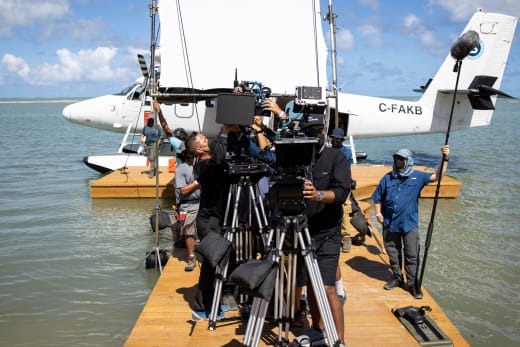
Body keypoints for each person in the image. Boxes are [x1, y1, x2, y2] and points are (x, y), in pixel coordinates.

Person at [297, 114, 351, 345]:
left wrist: (317, 194)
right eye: (311, 130)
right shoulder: (298, 159)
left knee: (328, 287)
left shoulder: (336, 157)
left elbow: (341, 193)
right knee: (310, 285)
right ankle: (318, 329)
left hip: (328, 233)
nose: (316, 134)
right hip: (303, 232)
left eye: (319, 129)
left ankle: (339, 340)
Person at [372, 145, 450, 299]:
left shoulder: (418, 176)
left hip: (409, 225)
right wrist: (378, 213)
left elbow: (438, 177)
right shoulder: (387, 178)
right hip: (389, 223)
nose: (398, 161)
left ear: (408, 161)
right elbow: (377, 197)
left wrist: (445, 159)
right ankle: (397, 277)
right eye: (396, 158)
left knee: (412, 254)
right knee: (393, 252)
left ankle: (412, 283)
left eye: (401, 159)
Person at [174, 149, 201, 272]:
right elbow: (183, 191)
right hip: (186, 206)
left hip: (201, 204)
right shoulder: (180, 169)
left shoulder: (200, 166)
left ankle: (205, 254)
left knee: (203, 231)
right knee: (187, 231)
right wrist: (196, 182)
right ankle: (191, 257)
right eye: (192, 157)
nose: (194, 159)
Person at [329, 128, 355, 253]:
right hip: (329, 184)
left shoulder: (346, 152)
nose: (335, 140)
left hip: (343, 184)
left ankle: (346, 237)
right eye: (334, 138)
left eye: (338, 139)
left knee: (345, 209)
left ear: (341, 140)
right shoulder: (328, 150)